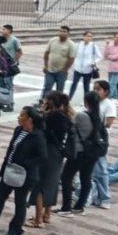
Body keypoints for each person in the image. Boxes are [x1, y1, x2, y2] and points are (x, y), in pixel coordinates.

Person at [0, 106, 48, 235]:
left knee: (20, 201)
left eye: (22, 116)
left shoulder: (37, 136)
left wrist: (25, 164)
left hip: (25, 175)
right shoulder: (18, 130)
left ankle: (16, 228)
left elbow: (42, 157)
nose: (19, 117)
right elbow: (11, 149)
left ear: (30, 119)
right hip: (9, 170)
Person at [55, 91, 105, 216]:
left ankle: (66, 207)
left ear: (86, 102)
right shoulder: (100, 115)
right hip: (92, 151)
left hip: (79, 151)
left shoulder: (82, 115)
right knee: (86, 178)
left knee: (66, 177)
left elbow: (70, 126)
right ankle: (79, 206)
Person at [30, 92, 73, 227]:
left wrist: (42, 112)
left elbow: (40, 129)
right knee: (51, 184)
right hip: (58, 153)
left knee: (39, 185)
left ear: (50, 102)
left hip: (48, 151)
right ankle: (46, 214)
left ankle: (38, 220)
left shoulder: (51, 116)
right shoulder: (67, 116)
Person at [87, 80, 118, 210]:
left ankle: (105, 198)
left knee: (101, 170)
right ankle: (92, 196)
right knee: (90, 171)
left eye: (98, 89)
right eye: (94, 88)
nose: (95, 91)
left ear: (106, 92)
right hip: (90, 141)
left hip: (100, 141)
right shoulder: (92, 104)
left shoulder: (108, 105)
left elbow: (109, 123)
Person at [40, 25, 75, 100]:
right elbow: (46, 53)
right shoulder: (52, 40)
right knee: (47, 87)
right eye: (60, 31)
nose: (62, 33)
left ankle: (58, 106)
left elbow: (71, 58)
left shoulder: (71, 44)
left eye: (64, 32)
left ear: (68, 33)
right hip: (50, 70)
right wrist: (45, 66)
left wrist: (65, 69)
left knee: (59, 90)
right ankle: (43, 103)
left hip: (61, 72)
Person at [68, 31, 101, 103]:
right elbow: (73, 54)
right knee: (74, 84)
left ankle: (86, 102)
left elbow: (99, 56)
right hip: (78, 68)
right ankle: (69, 99)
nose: (89, 38)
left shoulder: (93, 46)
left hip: (88, 69)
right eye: (87, 36)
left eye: (90, 36)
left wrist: (93, 62)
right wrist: (75, 63)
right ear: (83, 36)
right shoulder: (78, 45)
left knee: (86, 86)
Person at [0, 24, 23, 112]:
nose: (2, 30)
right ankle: (3, 102)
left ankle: (10, 104)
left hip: (10, 66)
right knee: (2, 84)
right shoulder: (1, 40)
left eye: (4, 29)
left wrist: (15, 62)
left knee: (8, 84)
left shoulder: (14, 40)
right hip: (1, 65)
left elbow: (20, 51)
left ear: (9, 31)